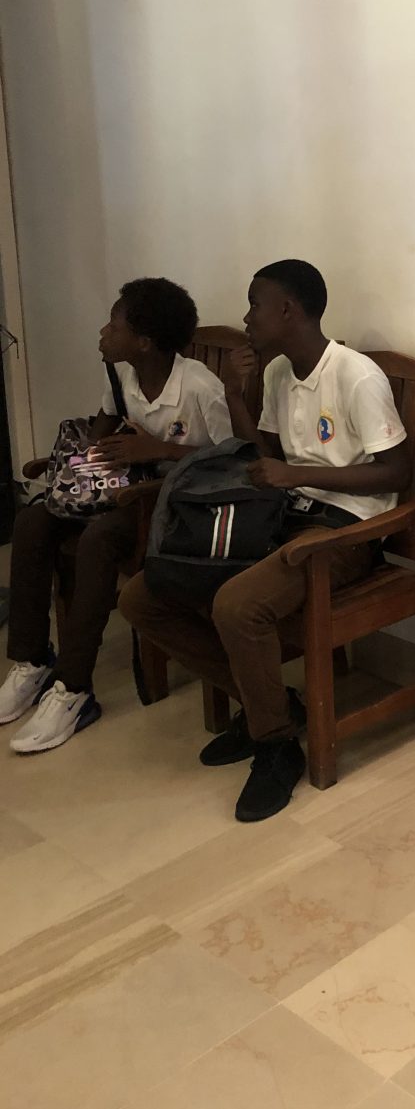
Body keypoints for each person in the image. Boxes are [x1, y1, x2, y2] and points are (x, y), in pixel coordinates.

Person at [120, 260, 411, 822]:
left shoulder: (356, 375)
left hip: (344, 533)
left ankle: (275, 744)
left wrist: (297, 475)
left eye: (255, 304)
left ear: (288, 310)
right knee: (143, 596)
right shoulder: (279, 373)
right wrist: (235, 394)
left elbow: (398, 472)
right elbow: (264, 461)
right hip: (282, 519)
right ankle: (272, 705)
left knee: (236, 605)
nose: (247, 317)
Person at [0, 278, 231, 753]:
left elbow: (232, 462)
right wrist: (80, 459)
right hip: (123, 490)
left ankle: (73, 688)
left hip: (172, 505)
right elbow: (102, 429)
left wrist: (159, 449)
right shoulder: (123, 377)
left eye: (114, 325)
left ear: (144, 342)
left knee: (98, 538)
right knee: (33, 520)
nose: (104, 332)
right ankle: (31, 660)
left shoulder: (200, 387)